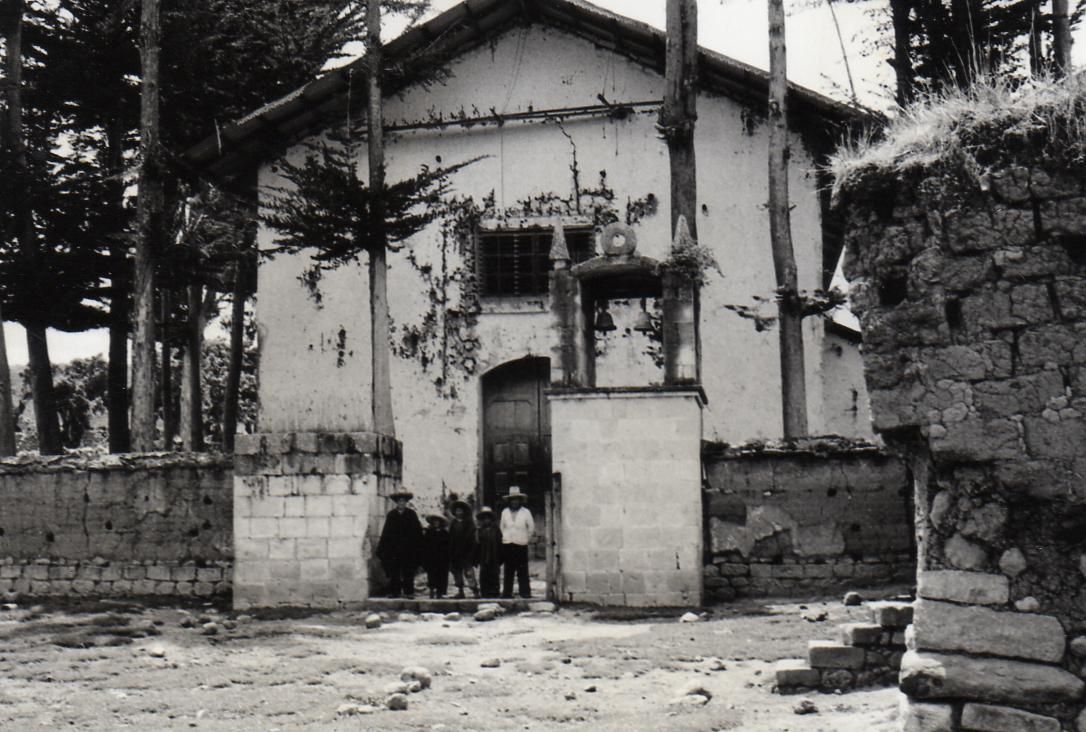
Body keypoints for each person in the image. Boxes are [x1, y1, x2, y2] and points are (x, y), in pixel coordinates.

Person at [375, 490, 422, 598]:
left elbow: (417, 531)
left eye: (403, 501)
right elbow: (386, 532)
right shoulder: (391, 515)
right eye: (399, 501)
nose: (401, 503)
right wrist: (384, 546)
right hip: (394, 548)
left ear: (406, 502)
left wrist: (417, 545)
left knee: (408, 570)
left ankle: (409, 592)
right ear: (396, 502)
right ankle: (395, 591)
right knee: (394, 570)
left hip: (408, 548)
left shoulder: (411, 514)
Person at [499, 486, 534, 599]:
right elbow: (502, 527)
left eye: (516, 499)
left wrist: (525, 539)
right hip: (508, 544)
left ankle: (525, 592)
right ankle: (507, 593)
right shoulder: (505, 512)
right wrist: (506, 538)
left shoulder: (526, 512)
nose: (514, 502)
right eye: (512, 500)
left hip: (521, 544)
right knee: (508, 570)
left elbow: (531, 528)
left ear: (520, 500)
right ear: (509, 501)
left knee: (522, 570)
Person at [447, 499, 479, 599]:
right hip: (456, 552)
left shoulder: (469, 523)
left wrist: (471, 552)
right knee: (457, 573)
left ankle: (475, 591)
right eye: (457, 511)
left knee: (469, 573)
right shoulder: (453, 523)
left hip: (466, 552)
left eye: (460, 510)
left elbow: (471, 539)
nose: (459, 513)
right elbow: (450, 538)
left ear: (464, 512)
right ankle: (460, 591)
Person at [475, 506, 502, 598]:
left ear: (491, 519)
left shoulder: (496, 530)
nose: (487, 520)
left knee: (494, 574)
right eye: (484, 518)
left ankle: (495, 592)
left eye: (488, 518)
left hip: (494, 556)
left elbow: (500, 543)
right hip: (483, 556)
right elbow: (477, 545)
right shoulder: (479, 531)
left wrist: (500, 557)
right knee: (484, 575)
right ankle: (485, 592)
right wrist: (476, 558)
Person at [421, 514, 451, 598]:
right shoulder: (429, 532)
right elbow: (424, 545)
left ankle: (440, 592)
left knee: (442, 575)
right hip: (431, 557)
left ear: (440, 522)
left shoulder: (445, 533)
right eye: (434, 521)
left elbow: (448, 546)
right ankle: (432, 590)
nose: (436, 523)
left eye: (437, 521)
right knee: (431, 574)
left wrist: (448, 557)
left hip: (442, 558)